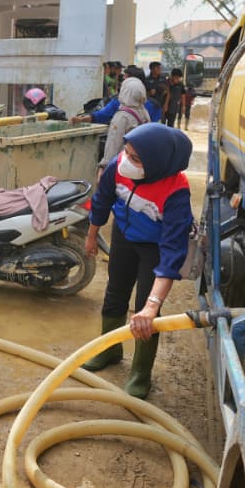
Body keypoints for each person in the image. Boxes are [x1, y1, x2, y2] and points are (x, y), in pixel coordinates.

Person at [82, 123, 194, 399]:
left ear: (155, 162)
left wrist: (153, 305)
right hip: (124, 236)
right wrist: (92, 235)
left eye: (135, 158)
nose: (126, 161)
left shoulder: (176, 191)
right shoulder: (119, 166)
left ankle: (141, 372)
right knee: (114, 295)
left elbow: (172, 254)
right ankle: (109, 350)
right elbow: (102, 200)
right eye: (126, 152)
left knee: (145, 313)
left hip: (154, 248)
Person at [96, 77, 149, 181]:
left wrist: (104, 166)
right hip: (139, 162)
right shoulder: (144, 111)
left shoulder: (123, 116)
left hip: (123, 165)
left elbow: (113, 143)